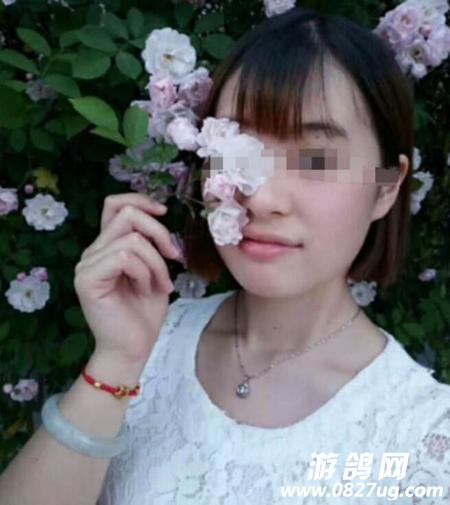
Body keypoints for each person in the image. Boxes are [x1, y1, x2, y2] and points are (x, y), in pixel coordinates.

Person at [0, 7, 448, 505]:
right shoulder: (152, 344)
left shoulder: (426, 438)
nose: (262, 198)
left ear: (387, 186)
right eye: (238, 151)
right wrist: (116, 362)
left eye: (316, 159)